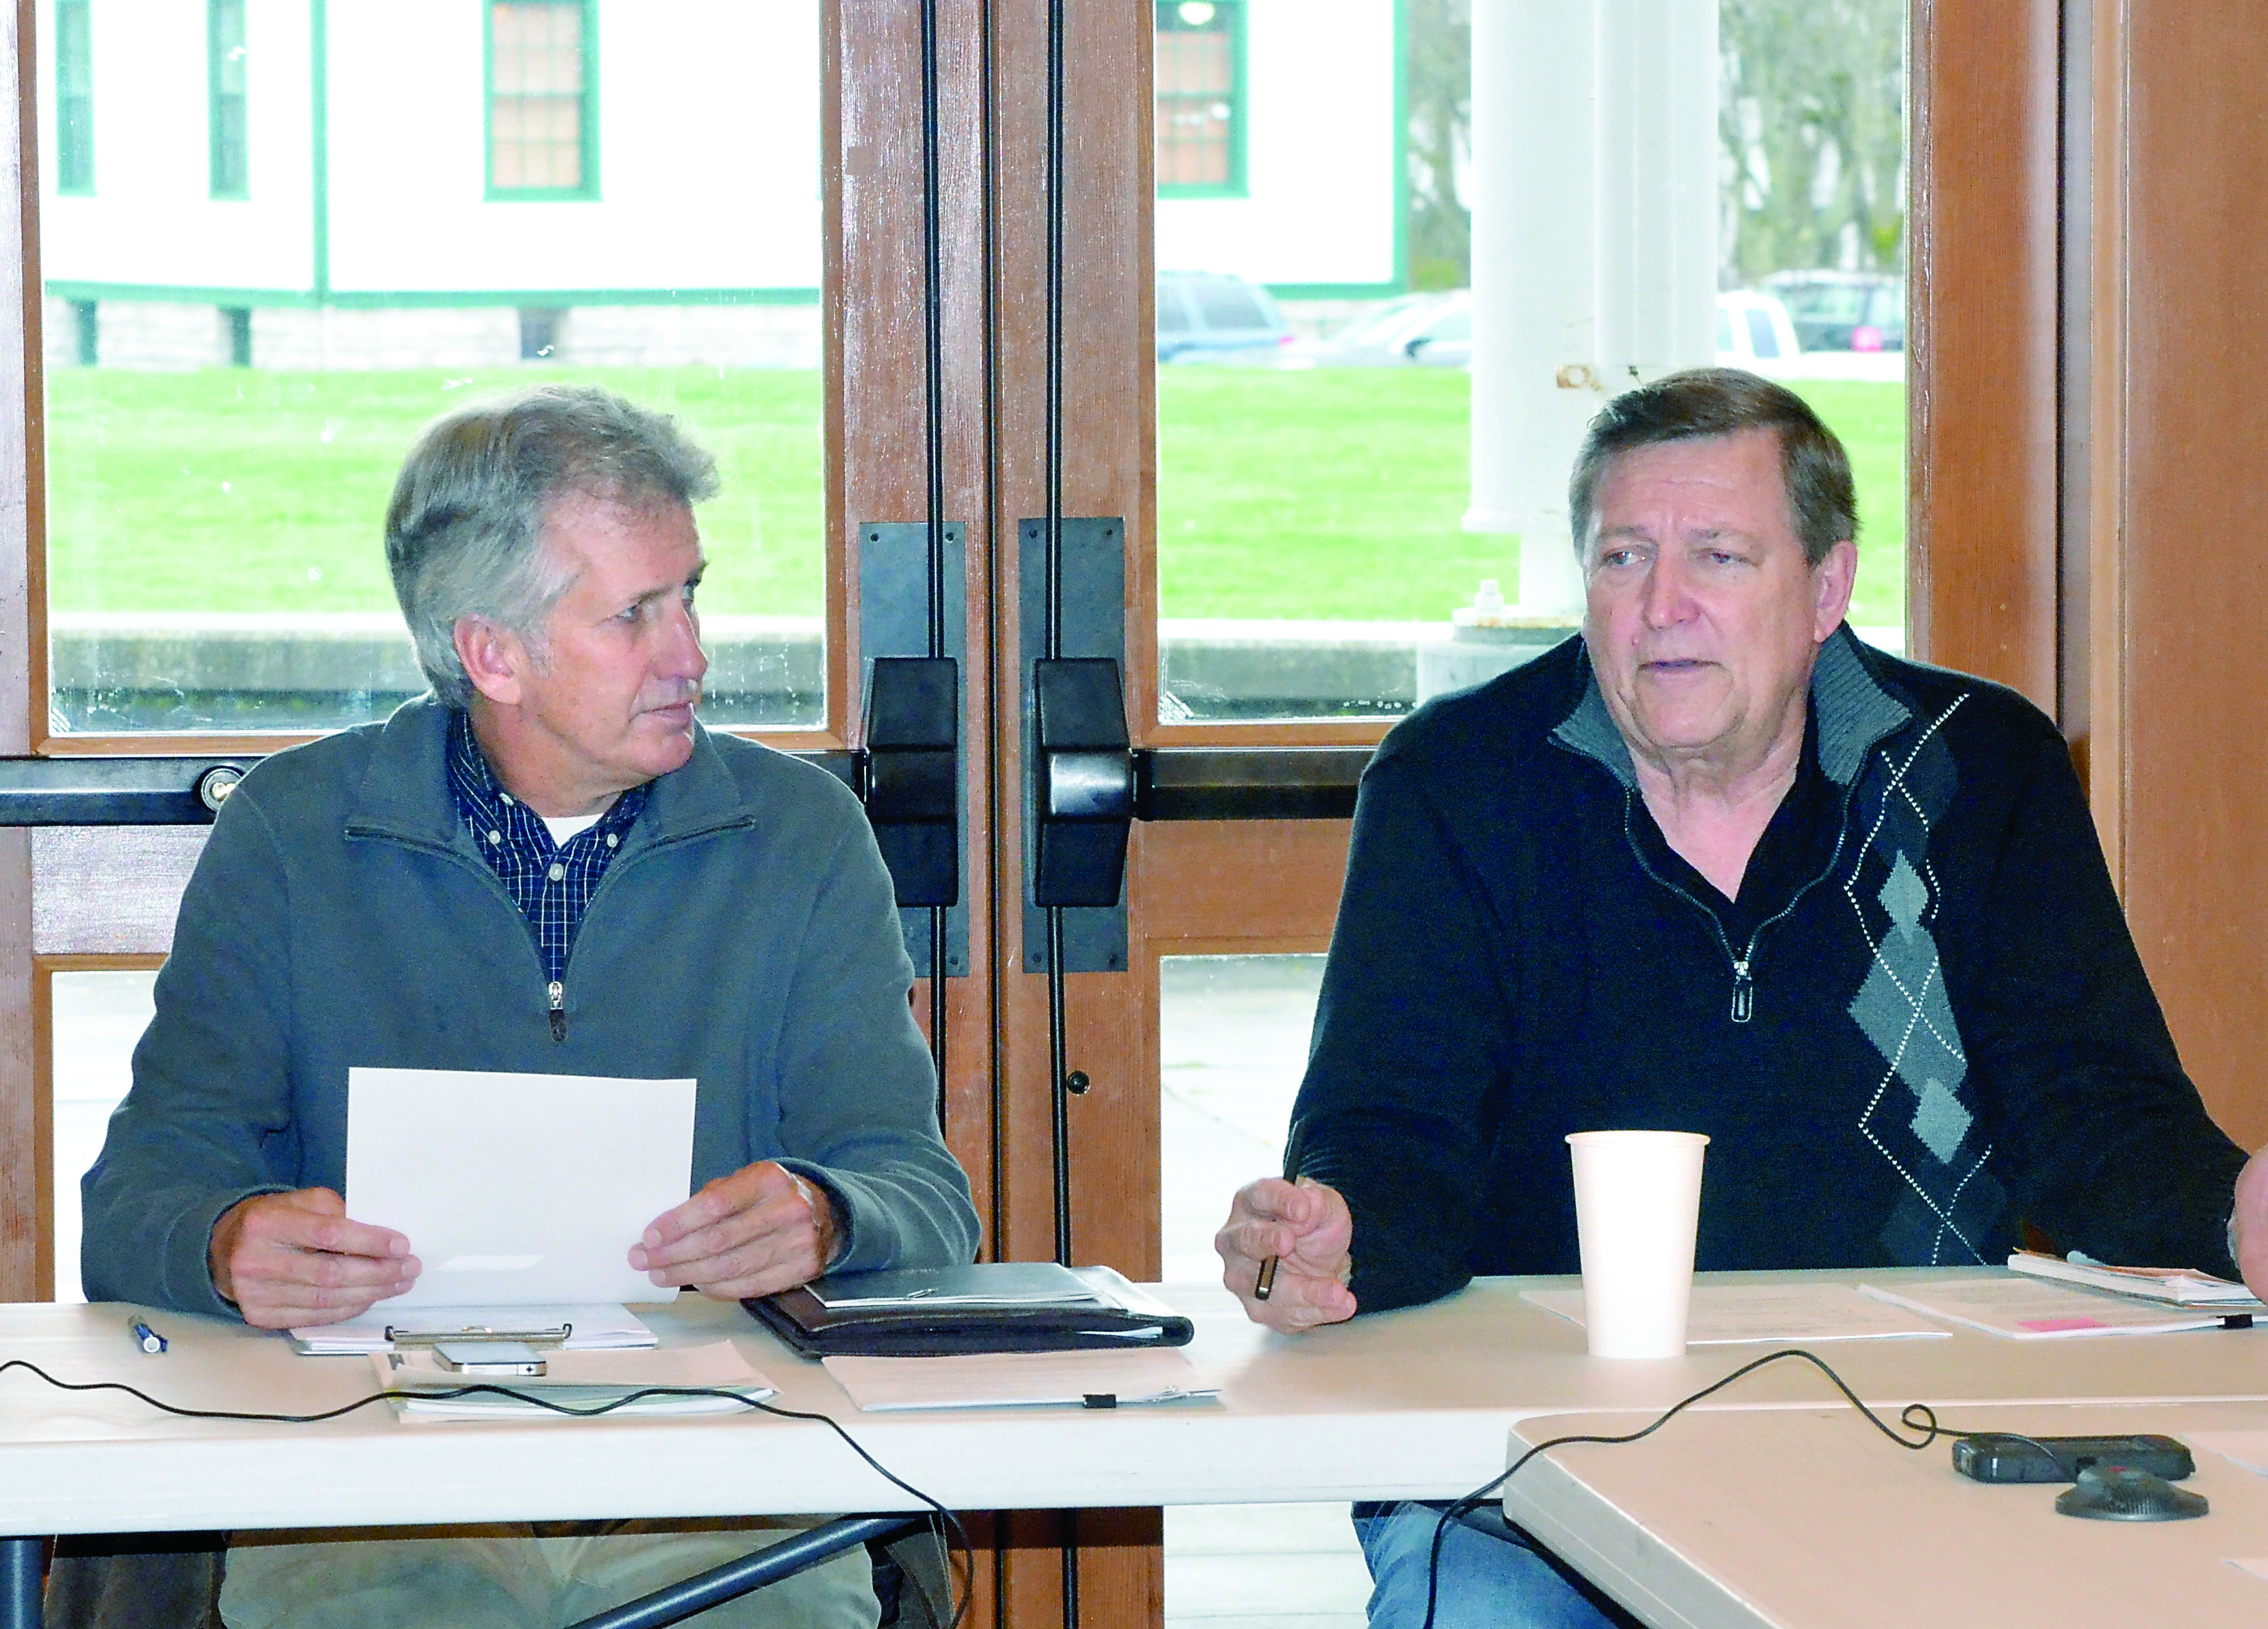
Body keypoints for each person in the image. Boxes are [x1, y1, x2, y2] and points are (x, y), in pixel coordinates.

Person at [1212, 367, 2268, 1629]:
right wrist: (1329, 1237)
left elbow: (2091, 1114)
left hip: (1922, 1442)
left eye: (1718, 556)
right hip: (1533, 1468)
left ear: (1826, 587)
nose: (1661, 607)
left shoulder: (1977, 769)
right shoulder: (1459, 782)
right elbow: (1391, 1137)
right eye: (1620, 559)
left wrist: (2232, 1205)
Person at [77, 384, 979, 1629]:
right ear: (491, 652)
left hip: (721, 1477)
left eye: (692, 595)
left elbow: (927, 1201)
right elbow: (135, 1205)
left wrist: (830, 1216)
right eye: (634, 616)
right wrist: (228, 1245)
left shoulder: (800, 836)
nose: (692, 656)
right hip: (376, 1472)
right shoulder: (294, 834)